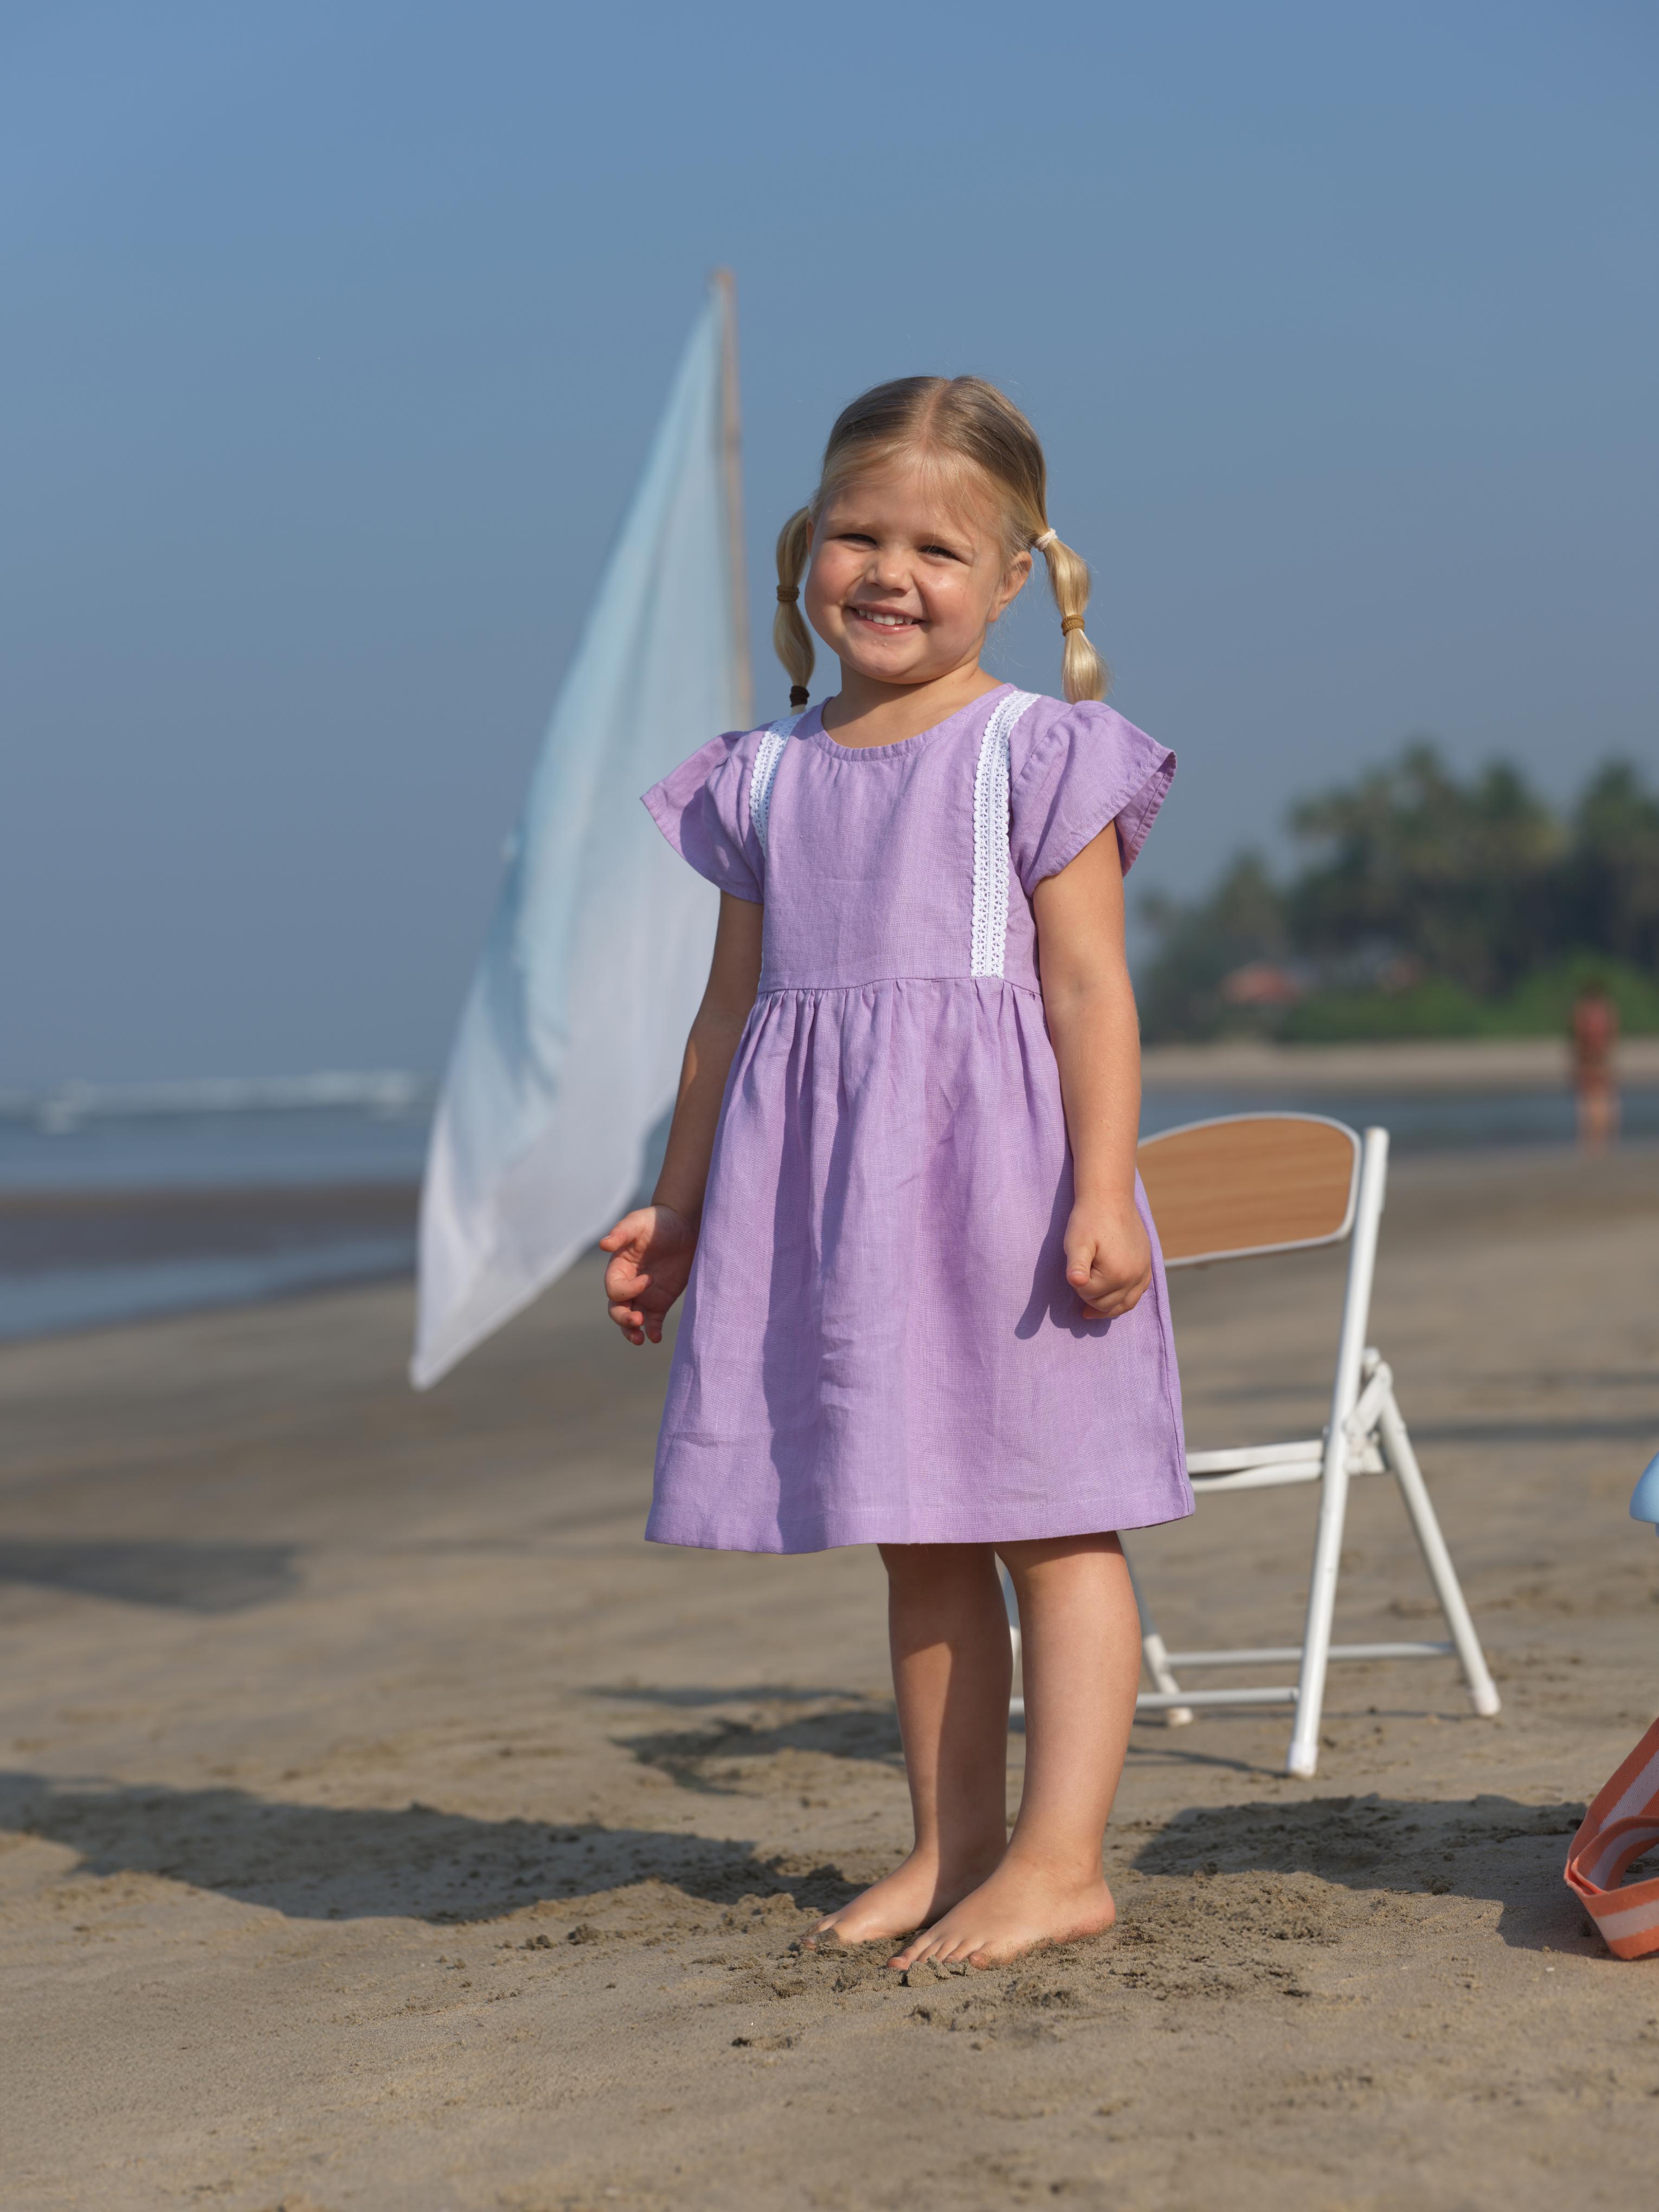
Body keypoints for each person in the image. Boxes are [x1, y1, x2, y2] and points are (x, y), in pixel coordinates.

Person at [599, 376, 1190, 1971]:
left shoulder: (1034, 750)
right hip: (839, 1207)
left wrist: (1103, 1188)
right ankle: (952, 1844)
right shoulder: (762, 775)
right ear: (807, 544)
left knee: (1055, 1522)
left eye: (939, 547)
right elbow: (727, 1016)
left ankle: (1062, 1860)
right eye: (860, 534)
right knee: (917, 1527)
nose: (891, 572)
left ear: (1014, 577)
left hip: (1010, 1197)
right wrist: (680, 1202)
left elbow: (1089, 988)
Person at [1571, 976, 1621, 1151]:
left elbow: (1578, 1037)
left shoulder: (1583, 1011)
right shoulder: (1607, 1011)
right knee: (1602, 1099)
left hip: (1589, 1058)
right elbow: (1612, 1034)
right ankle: (1602, 1137)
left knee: (1590, 1100)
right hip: (1601, 1057)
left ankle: (1593, 1139)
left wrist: (1577, 1061)